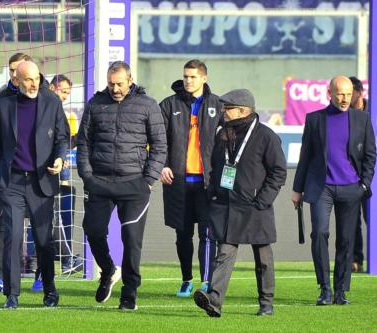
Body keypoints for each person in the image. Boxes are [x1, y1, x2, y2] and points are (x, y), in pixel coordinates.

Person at [76, 61, 167, 311]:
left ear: (130, 80)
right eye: (111, 84)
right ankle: (108, 270)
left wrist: (148, 179)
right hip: (100, 182)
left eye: (119, 84)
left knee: (131, 239)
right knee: (93, 230)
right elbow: (83, 144)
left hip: (134, 183)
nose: (115, 89)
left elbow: (160, 145)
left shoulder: (147, 105)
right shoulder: (95, 104)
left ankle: (129, 293)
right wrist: (88, 176)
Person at [193, 89, 287, 317]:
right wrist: (214, 192)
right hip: (227, 206)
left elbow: (278, 172)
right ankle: (214, 300)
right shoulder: (222, 134)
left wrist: (262, 200)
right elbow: (216, 166)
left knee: (263, 258)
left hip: (256, 207)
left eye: (228, 109)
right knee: (223, 254)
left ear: (243, 111)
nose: (223, 113)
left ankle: (266, 303)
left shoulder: (266, 136)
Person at [0, 61, 69, 309]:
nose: (34, 83)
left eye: (37, 78)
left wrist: (60, 157)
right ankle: (12, 295)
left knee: (45, 240)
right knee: (13, 237)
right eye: (28, 79)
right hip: (12, 182)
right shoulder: (2, 105)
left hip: (41, 181)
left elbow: (62, 137)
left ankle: (50, 290)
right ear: (16, 80)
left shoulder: (52, 102)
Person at [292, 75, 376, 306]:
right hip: (321, 188)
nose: (345, 98)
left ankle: (340, 291)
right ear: (330, 93)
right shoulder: (315, 119)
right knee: (319, 233)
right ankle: (324, 289)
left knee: (346, 240)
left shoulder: (362, 119)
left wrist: (364, 184)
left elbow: (370, 155)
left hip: (351, 188)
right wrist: (297, 189)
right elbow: (305, 157)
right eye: (340, 93)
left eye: (349, 94)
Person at [0, 52, 48, 293]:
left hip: (40, 177)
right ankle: (0, 276)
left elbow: (57, 132)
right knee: (8, 227)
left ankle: (42, 274)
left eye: (17, 70)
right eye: (11, 71)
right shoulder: (2, 99)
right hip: (12, 177)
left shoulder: (46, 97)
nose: (14, 76)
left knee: (41, 231)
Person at [159, 59, 221, 297]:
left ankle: (206, 281)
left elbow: (229, 140)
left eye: (193, 77)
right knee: (182, 234)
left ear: (204, 78)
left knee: (207, 233)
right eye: (185, 76)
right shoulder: (168, 105)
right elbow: (158, 140)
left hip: (207, 183)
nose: (188, 81)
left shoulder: (218, 105)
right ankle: (186, 279)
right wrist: (163, 165)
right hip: (178, 182)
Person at [48, 74, 83, 275]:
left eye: (68, 93)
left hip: (54, 168)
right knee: (53, 218)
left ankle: (65, 260)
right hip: (43, 171)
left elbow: (62, 140)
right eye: (63, 92)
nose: (65, 97)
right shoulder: (48, 108)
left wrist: (63, 154)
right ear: (53, 88)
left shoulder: (56, 109)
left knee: (53, 218)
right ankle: (67, 260)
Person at [349, 76, 368, 273]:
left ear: (359, 93)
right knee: (352, 221)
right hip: (352, 176)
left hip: (371, 175)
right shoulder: (341, 115)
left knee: (372, 219)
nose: (344, 97)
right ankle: (356, 260)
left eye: (349, 93)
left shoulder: (372, 112)